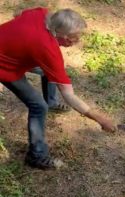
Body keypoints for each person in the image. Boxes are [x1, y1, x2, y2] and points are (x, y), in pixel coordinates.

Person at [0, 7, 116, 169]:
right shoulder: (47, 49)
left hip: (12, 51)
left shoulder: (42, 13)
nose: (76, 41)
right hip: (5, 66)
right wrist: (100, 119)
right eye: (73, 38)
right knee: (38, 106)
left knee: (50, 72)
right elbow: (69, 95)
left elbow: (18, 13)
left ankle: (52, 103)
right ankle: (37, 156)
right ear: (60, 34)